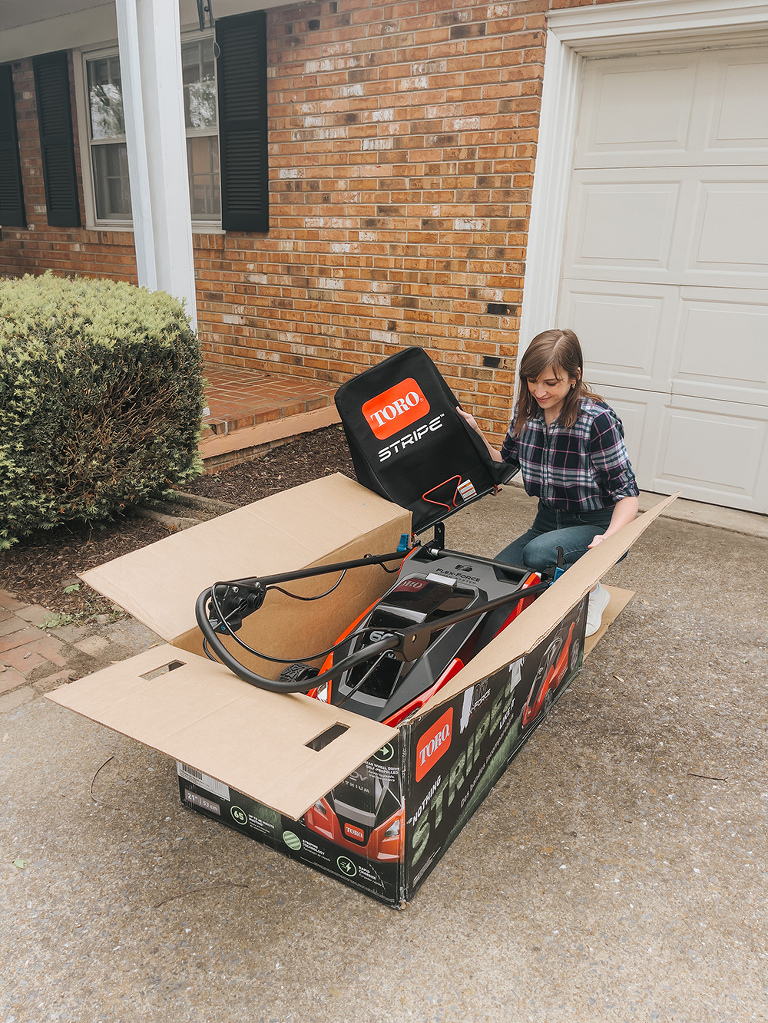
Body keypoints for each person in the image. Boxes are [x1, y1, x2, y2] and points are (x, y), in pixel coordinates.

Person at [459, 328, 639, 637]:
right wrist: (474, 431)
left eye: (550, 383)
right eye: (532, 381)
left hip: (596, 524)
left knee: (539, 554)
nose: (539, 391)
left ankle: (591, 590)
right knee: (499, 577)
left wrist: (609, 539)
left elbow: (628, 494)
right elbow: (505, 461)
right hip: (547, 521)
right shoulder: (527, 413)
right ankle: (561, 580)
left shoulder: (597, 420)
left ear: (574, 376)